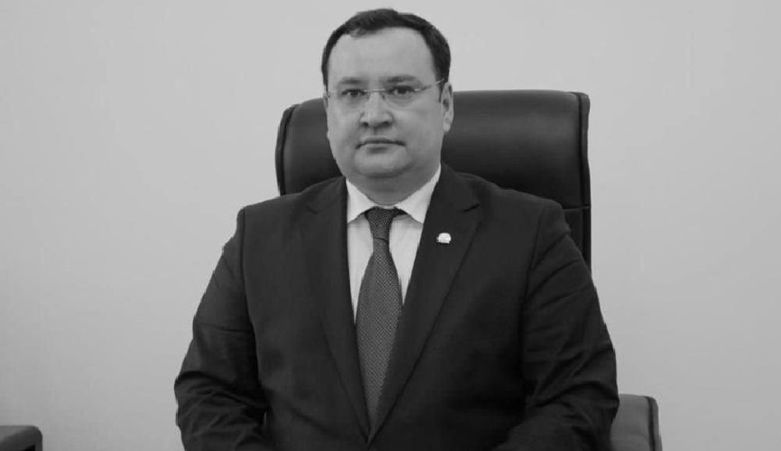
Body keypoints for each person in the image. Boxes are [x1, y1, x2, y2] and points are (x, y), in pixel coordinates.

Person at [175, 8, 618, 451]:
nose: (374, 115)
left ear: (445, 105)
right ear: (328, 112)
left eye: (400, 90)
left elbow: (577, 396)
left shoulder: (529, 233)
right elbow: (210, 393)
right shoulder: (260, 237)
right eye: (351, 93)